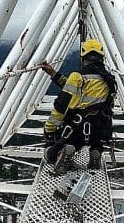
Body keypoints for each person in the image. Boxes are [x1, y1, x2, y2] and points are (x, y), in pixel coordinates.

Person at [42, 39, 116, 175]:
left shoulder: (77, 77)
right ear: (101, 57)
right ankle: (95, 153)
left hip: (77, 127)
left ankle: (67, 151)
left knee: (51, 153)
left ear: (83, 57)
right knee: (96, 140)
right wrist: (54, 74)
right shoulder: (108, 79)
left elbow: (62, 105)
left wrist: (49, 128)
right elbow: (81, 90)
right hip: (100, 128)